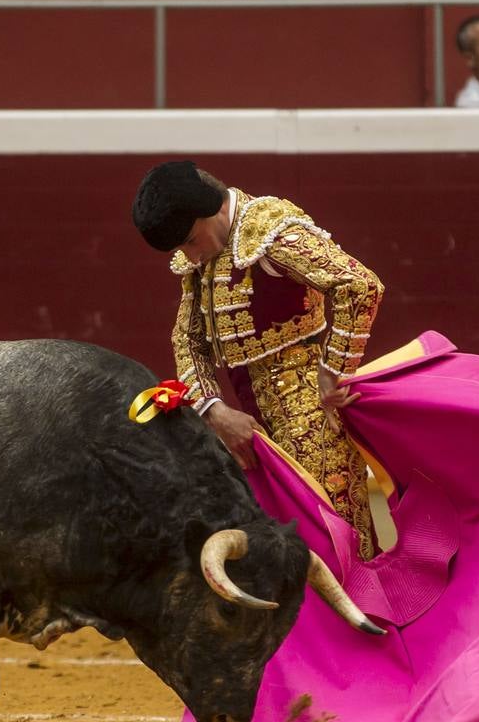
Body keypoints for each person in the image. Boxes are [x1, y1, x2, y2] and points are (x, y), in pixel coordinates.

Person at [131, 161, 383, 563]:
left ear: (209, 210)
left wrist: (335, 370)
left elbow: (360, 285)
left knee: (342, 552)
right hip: (253, 433)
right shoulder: (205, 254)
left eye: (191, 241)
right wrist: (213, 412)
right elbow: (188, 339)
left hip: (315, 422)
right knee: (286, 559)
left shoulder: (271, 231)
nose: (189, 255)